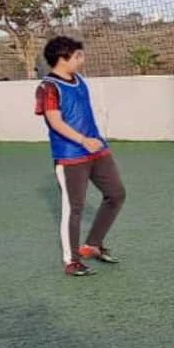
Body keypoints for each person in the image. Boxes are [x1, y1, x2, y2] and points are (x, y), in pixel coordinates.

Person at [34, 37, 126, 277]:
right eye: (78, 56)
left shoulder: (80, 81)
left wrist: (94, 141)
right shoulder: (48, 87)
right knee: (74, 208)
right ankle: (71, 261)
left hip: (97, 150)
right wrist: (83, 140)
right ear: (62, 58)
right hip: (70, 156)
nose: (82, 60)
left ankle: (93, 245)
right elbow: (54, 121)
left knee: (116, 194)